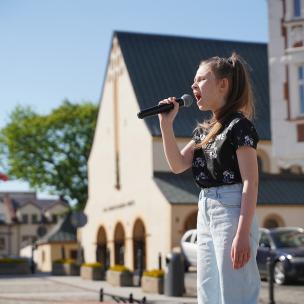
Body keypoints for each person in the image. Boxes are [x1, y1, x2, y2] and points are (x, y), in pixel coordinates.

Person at [158, 52, 261, 304]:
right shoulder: (204, 132)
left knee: (234, 290)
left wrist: (242, 233)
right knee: (208, 291)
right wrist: (166, 125)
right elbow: (177, 164)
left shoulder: (239, 126)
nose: (193, 86)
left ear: (223, 84)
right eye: (193, 81)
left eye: (201, 79)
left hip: (231, 207)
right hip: (205, 207)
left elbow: (251, 181)